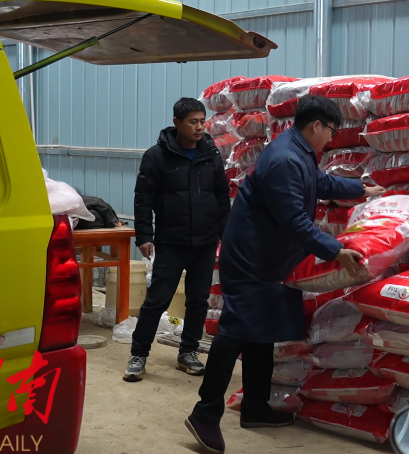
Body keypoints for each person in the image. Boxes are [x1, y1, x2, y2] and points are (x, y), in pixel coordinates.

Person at [184, 95, 385, 453]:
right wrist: (336, 251)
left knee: (261, 332)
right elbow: (295, 221)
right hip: (249, 259)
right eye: (331, 131)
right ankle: (205, 413)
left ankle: (255, 407)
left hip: (267, 258)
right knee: (235, 331)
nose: (332, 139)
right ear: (316, 125)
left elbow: (320, 183)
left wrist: (361, 189)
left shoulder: (299, 151)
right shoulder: (285, 160)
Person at [124, 97, 230, 382]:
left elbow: (221, 195)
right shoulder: (157, 156)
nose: (200, 127)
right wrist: (144, 236)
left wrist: (225, 233)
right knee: (157, 300)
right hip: (171, 241)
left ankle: (188, 353)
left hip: (204, 242)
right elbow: (143, 199)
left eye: (202, 121)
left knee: (198, 300)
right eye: (193, 122)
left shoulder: (210, 153)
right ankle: (138, 355)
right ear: (177, 123)